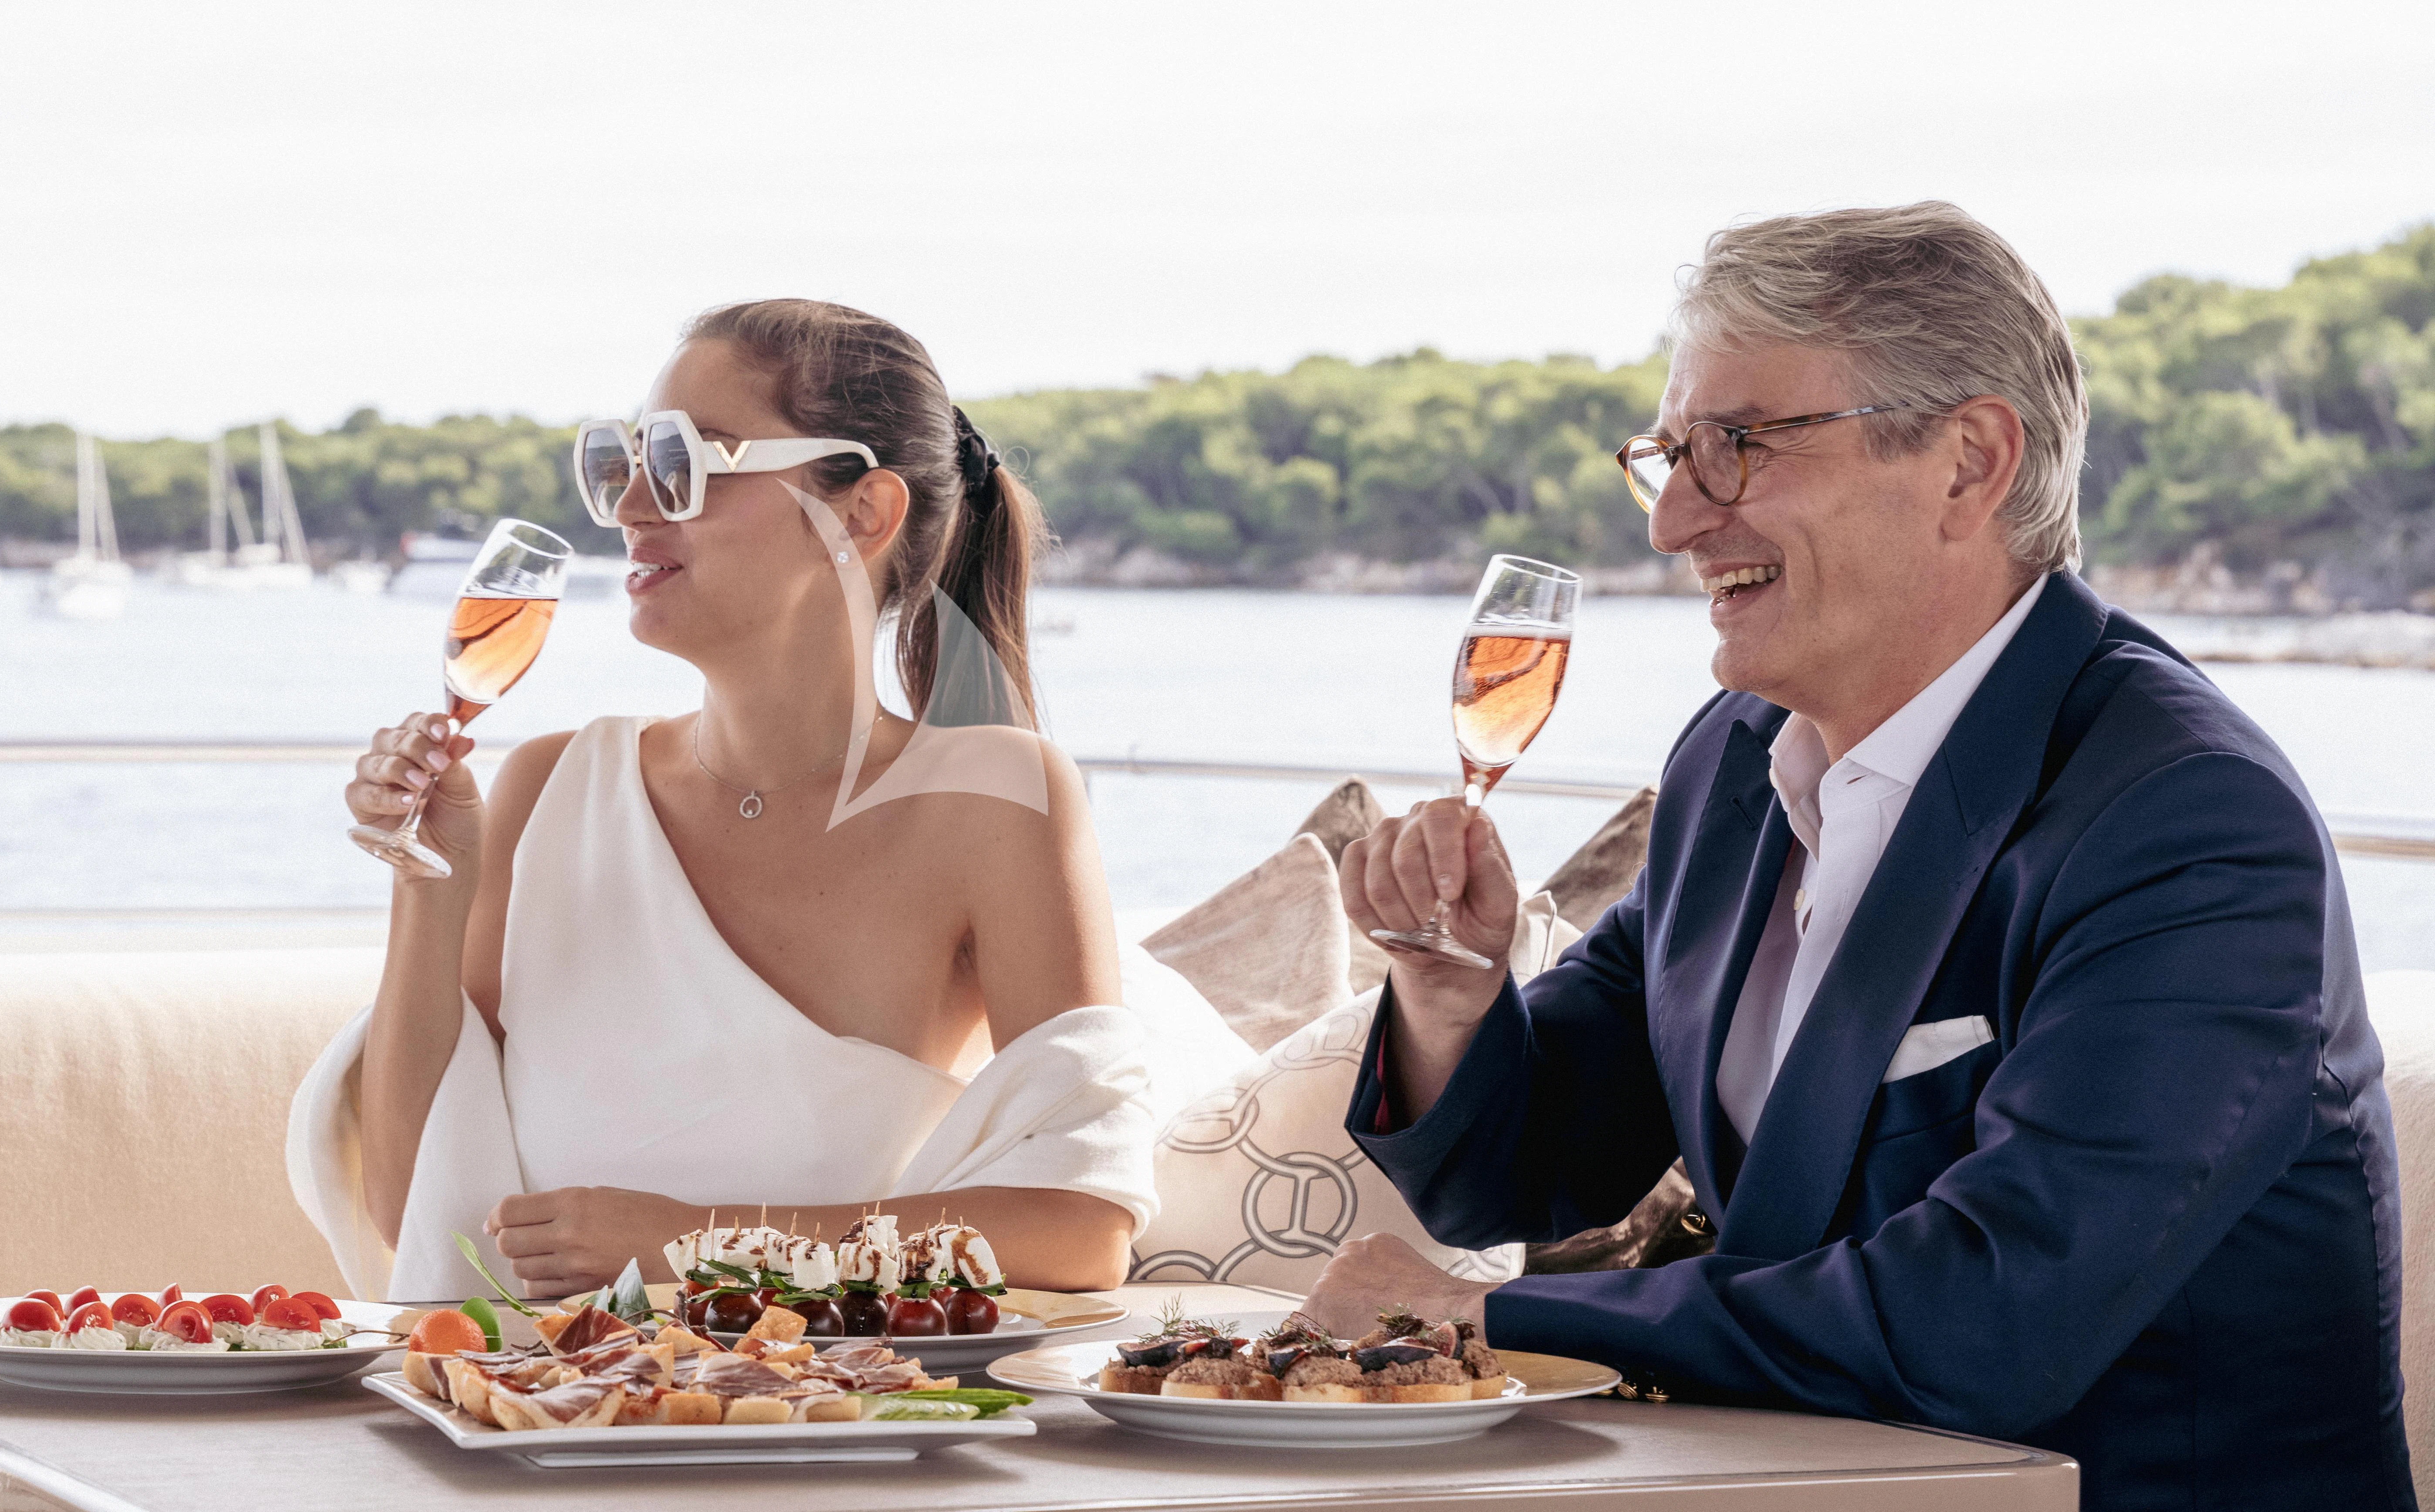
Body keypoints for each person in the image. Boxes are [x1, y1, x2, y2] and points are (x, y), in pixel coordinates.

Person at [1307, 204, 2410, 1509]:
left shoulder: (2189, 821)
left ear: (1967, 459)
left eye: (1738, 445)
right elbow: (1533, 1161)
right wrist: (1451, 988)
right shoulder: (1737, 759)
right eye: (1669, 453)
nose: (1673, 521)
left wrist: (1483, 1324)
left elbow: (1988, 1316)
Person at [286, 299, 1156, 1303]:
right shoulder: (545, 791)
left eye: (683, 464)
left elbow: (1079, 1230)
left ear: (862, 513)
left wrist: (693, 1244)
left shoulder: (995, 803)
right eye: (623, 463)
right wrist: (431, 884)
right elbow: (416, 1216)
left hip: (824, 1422)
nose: (628, 510)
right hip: (540, 1422)